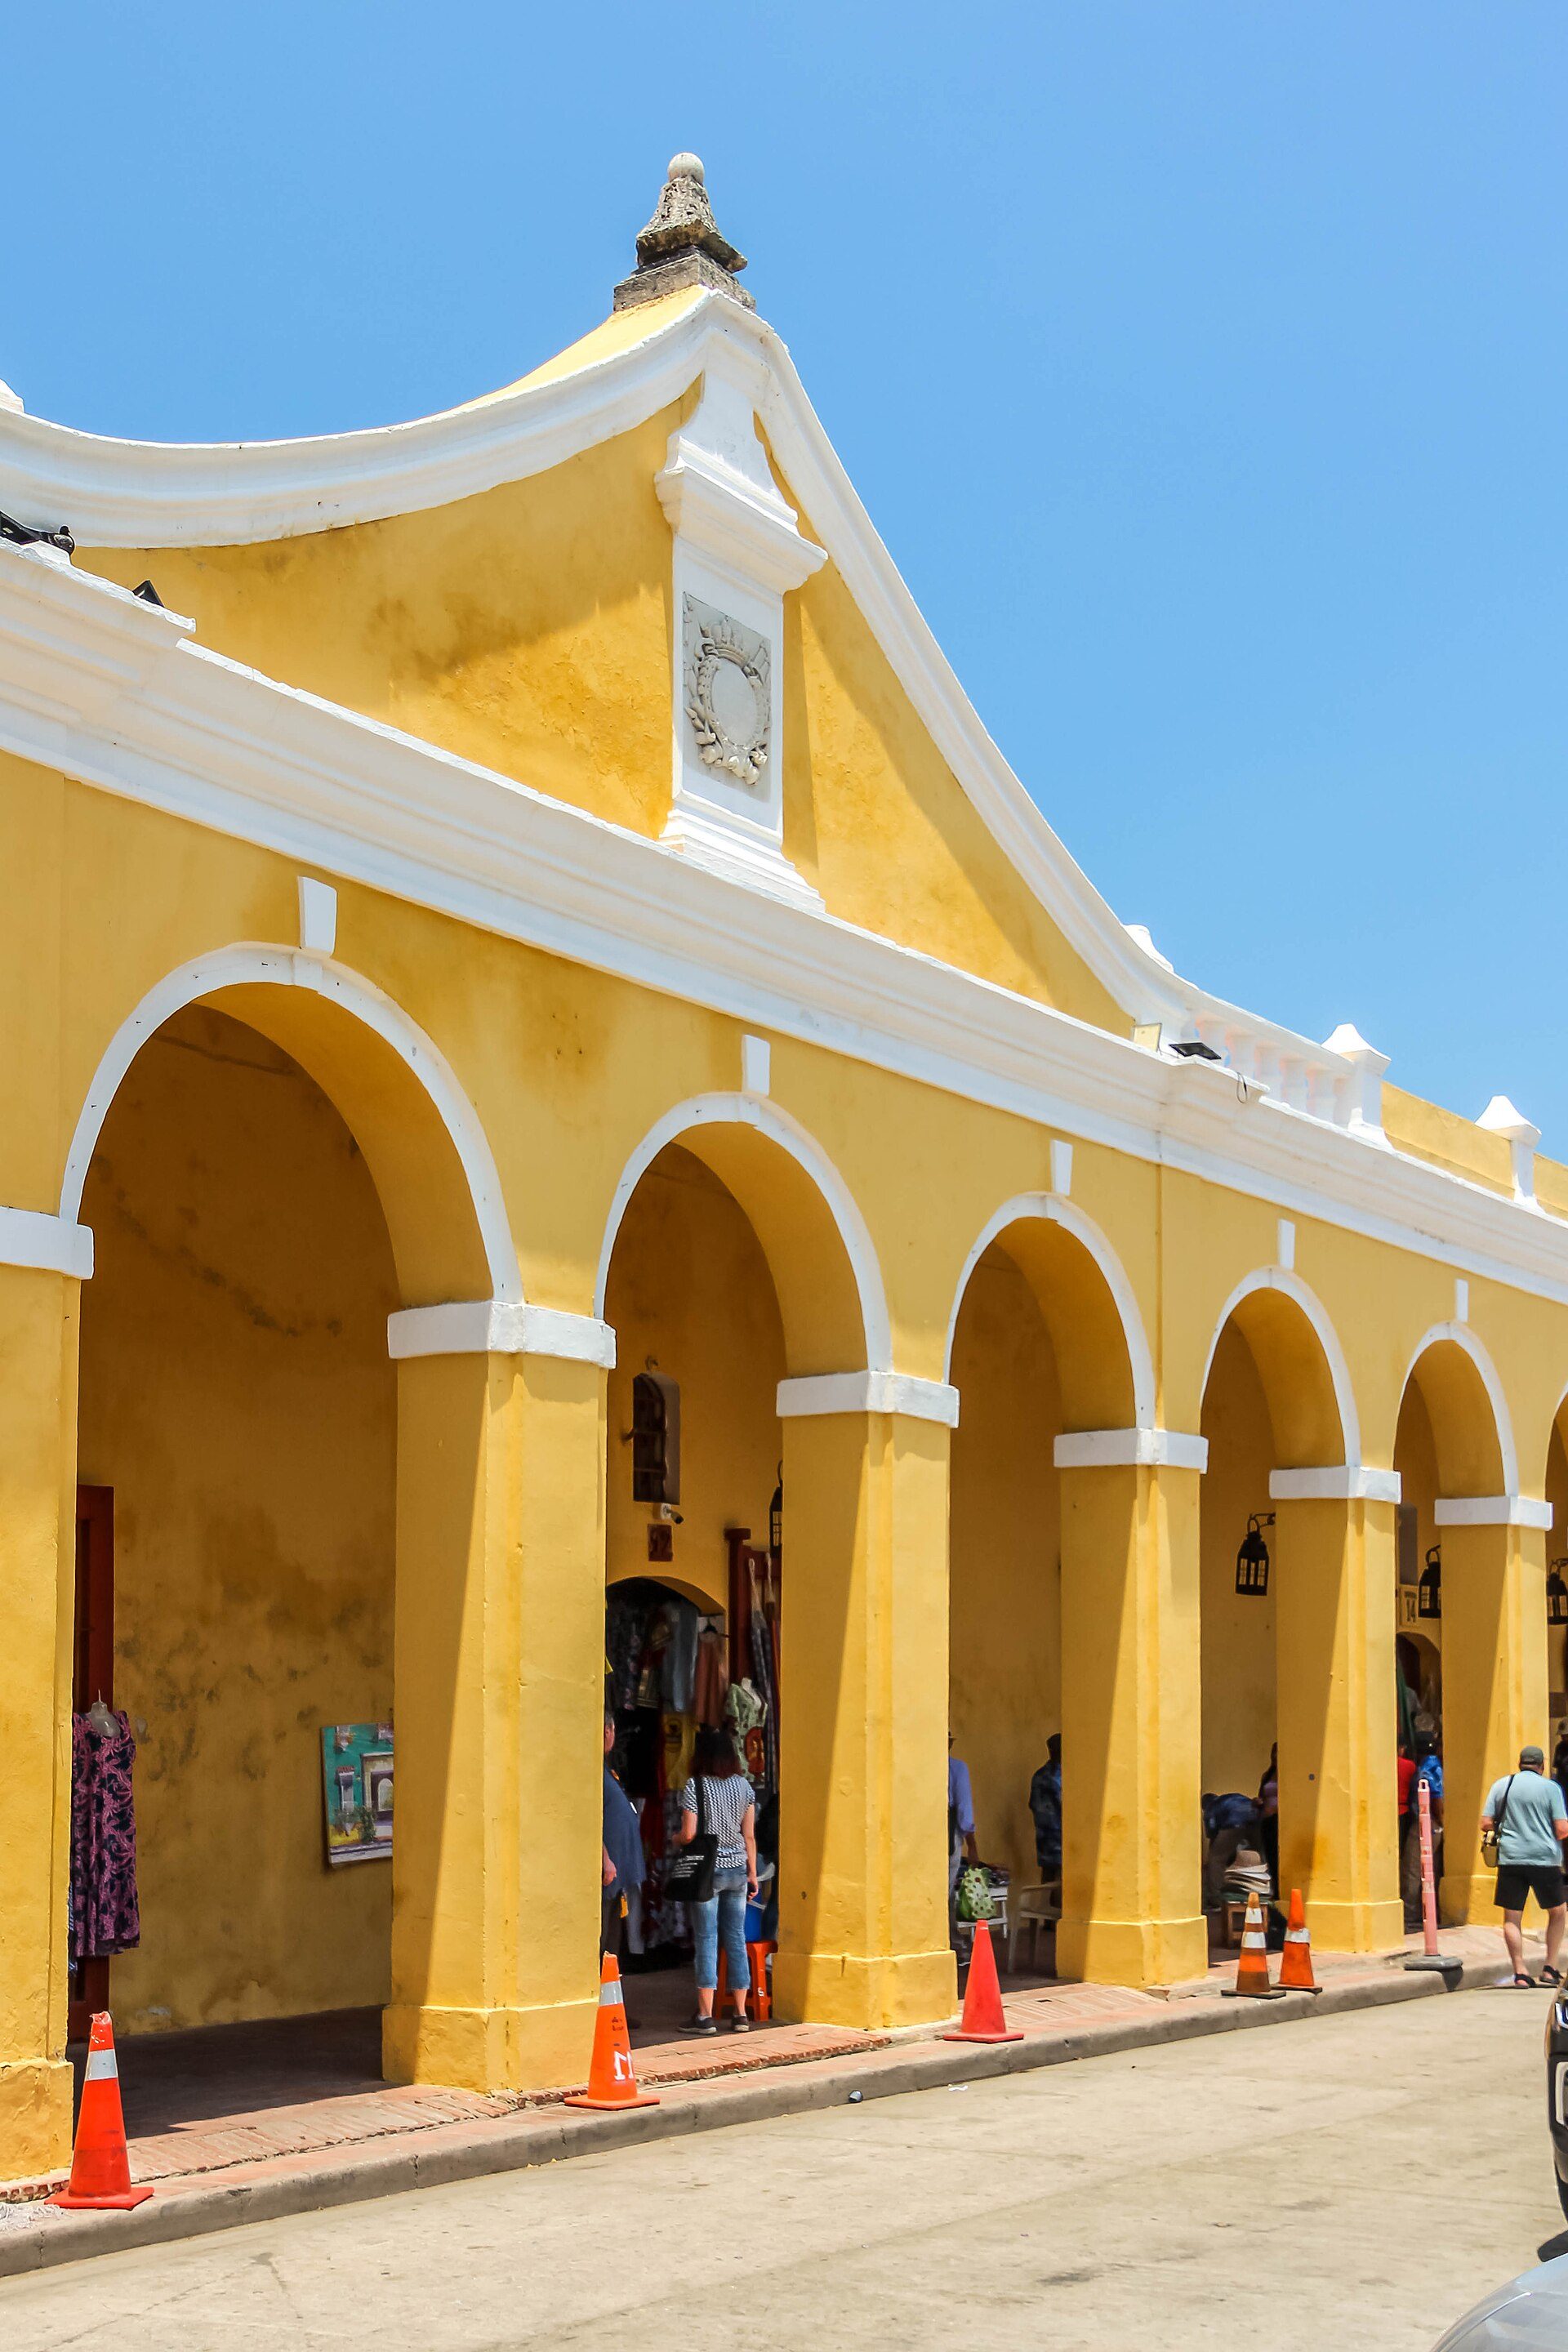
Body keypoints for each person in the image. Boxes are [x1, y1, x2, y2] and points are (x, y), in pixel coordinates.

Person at [673, 1725, 758, 2034]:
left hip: (708, 1874)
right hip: (738, 1870)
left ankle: (705, 2016)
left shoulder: (695, 1787)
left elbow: (689, 1834)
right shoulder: (744, 1787)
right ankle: (740, 2014)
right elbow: (749, 1835)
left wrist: (675, 1839)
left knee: (707, 1939)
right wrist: (751, 1873)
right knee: (735, 1939)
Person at [1480, 1742, 1568, 1987]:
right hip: (1544, 1859)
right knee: (1558, 1912)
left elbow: (1485, 1822)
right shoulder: (1551, 1788)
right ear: (1541, 1766)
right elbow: (1562, 1830)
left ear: (1520, 1764)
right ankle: (1550, 1968)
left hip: (1511, 1859)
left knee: (1512, 1917)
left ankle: (1520, 1972)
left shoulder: (1503, 1785)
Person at [601, 1710, 644, 1960]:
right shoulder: (594, 1771)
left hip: (617, 1873)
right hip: (607, 1870)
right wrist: (605, 1859)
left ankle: (608, 1993)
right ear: (608, 1731)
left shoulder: (607, 1771)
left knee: (612, 1942)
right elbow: (590, 1821)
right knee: (603, 1934)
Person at [1028, 1735, 1062, 1883]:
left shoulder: (1039, 1775)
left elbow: (1032, 1804)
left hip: (1044, 1839)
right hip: (1060, 1839)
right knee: (1060, 1886)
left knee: (1047, 1883)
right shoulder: (1060, 1776)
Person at [949, 1735, 978, 1900]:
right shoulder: (958, 1768)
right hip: (950, 1831)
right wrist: (972, 1845)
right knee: (947, 1887)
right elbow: (963, 1808)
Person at [1257, 1744, 1279, 1895]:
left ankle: (1280, 1890)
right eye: (1274, 1753)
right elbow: (1262, 1795)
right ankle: (1274, 1889)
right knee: (1270, 1855)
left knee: (1279, 1856)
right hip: (1267, 1819)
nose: (1277, 1756)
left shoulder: (1289, 1774)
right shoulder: (1267, 1775)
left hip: (1280, 1819)